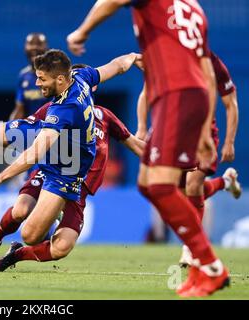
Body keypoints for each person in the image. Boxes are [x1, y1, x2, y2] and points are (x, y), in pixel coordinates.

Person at [67, 0, 229, 297]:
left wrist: (82, 31)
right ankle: (200, 268)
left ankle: (210, 267)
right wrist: (206, 125)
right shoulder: (194, 8)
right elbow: (205, 68)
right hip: (190, 96)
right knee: (149, 184)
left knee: (163, 187)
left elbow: (113, 0)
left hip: (176, 96)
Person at [0, 50, 143, 271]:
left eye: (41, 78)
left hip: (75, 180)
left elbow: (34, 153)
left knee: (58, 247)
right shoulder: (79, 79)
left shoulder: (71, 109)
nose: (37, 83)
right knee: (22, 215)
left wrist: (0, 178)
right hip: (57, 171)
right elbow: (117, 65)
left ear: (60, 79)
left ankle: (16, 254)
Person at [136, 51, 242, 266]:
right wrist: (141, 127)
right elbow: (146, 92)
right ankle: (225, 182)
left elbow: (231, 103)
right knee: (185, 192)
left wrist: (229, 141)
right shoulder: (166, 57)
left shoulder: (213, 64)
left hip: (202, 133)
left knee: (194, 187)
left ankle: (190, 248)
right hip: (171, 132)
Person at [9, 33, 50, 120]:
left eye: (39, 44)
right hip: (32, 129)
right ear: (25, 49)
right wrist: (7, 129)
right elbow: (20, 109)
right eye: (31, 44)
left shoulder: (57, 74)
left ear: (47, 49)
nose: (34, 47)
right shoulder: (23, 76)